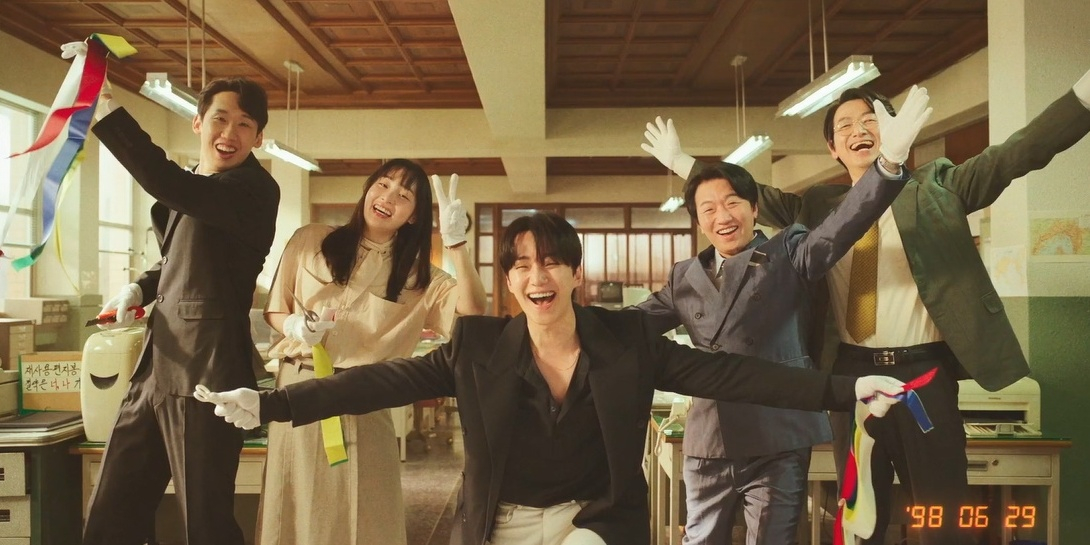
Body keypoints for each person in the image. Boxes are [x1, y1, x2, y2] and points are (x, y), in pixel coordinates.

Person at [197, 211, 906, 545]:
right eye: (521, 265)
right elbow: (375, 383)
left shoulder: (627, 341)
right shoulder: (476, 347)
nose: (537, 276)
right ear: (509, 281)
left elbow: (733, 374)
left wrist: (845, 390)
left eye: (550, 262)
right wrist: (269, 402)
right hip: (501, 521)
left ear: (574, 275)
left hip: (589, 519)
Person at [643, 69, 1090, 544]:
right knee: (861, 516)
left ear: (894, 129)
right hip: (850, 377)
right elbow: (740, 199)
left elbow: (1015, 155)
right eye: (844, 126)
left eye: (869, 120)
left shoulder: (940, 187)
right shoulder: (817, 208)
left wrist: (1080, 101)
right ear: (833, 149)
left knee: (943, 515)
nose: (858, 130)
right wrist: (683, 163)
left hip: (922, 375)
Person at [632, 86, 930, 545]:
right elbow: (633, 324)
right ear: (698, 220)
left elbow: (839, 227)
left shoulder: (788, 251)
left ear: (755, 209)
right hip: (709, 440)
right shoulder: (684, 277)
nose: (722, 215)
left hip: (779, 433)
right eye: (708, 209)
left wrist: (888, 164)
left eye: (733, 202)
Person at [85, 77, 279, 545]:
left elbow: (167, 182)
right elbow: (178, 259)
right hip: (155, 367)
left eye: (244, 124)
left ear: (258, 137)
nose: (229, 133)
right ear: (197, 123)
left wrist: (106, 107)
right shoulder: (197, 184)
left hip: (209, 374)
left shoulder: (253, 189)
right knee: (113, 510)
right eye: (219, 119)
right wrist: (138, 288)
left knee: (205, 521)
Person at [257, 158, 487, 545]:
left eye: (404, 195)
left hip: (366, 395)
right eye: (383, 185)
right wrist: (294, 325)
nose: (388, 198)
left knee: (367, 510)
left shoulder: (419, 276)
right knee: (295, 504)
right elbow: (276, 309)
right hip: (299, 385)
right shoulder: (309, 239)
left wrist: (457, 245)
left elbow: (473, 310)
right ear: (368, 189)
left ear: (414, 216)